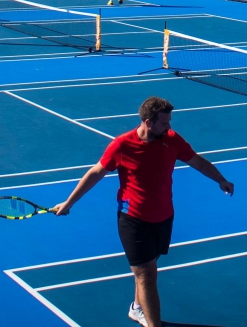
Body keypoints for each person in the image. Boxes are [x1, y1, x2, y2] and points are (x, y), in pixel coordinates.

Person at [52, 97, 234, 327]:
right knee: (146, 275)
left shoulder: (172, 140)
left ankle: (137, 308)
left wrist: (221, 179)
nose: (169, 127)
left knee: (149, 265)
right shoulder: (122, 145)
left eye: (169, 122)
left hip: (164, 216)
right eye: (164, 123)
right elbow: (96, 173)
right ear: (148, 122)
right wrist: (69, 203)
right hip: (133, 220)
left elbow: (197, 161)